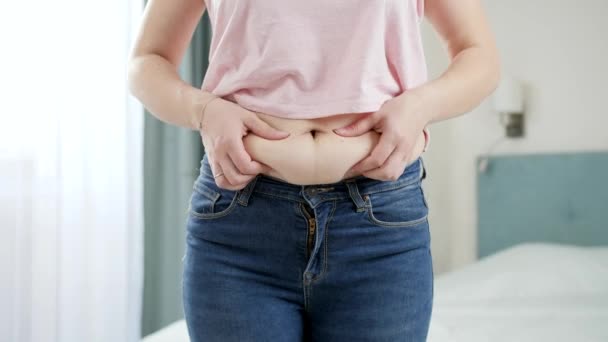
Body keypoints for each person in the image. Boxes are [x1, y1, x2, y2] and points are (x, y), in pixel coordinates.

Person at [128, 0, 500, 341]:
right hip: (239, 228)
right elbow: (147, 59)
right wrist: (204, 111)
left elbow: (478, 54)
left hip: (378, 229)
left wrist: (421, 105)